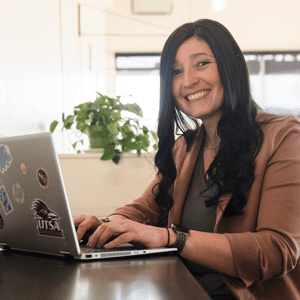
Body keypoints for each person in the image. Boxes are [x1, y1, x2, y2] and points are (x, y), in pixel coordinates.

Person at [74, 19, 300, 300]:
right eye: (176, 71)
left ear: (231, 67)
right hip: (179, 290)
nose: (188, 81)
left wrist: (173, 237)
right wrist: (106, 224)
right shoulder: (186, 147)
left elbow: (276, 251)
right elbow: (142, 210)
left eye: (202, 63)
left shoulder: (283, 137)